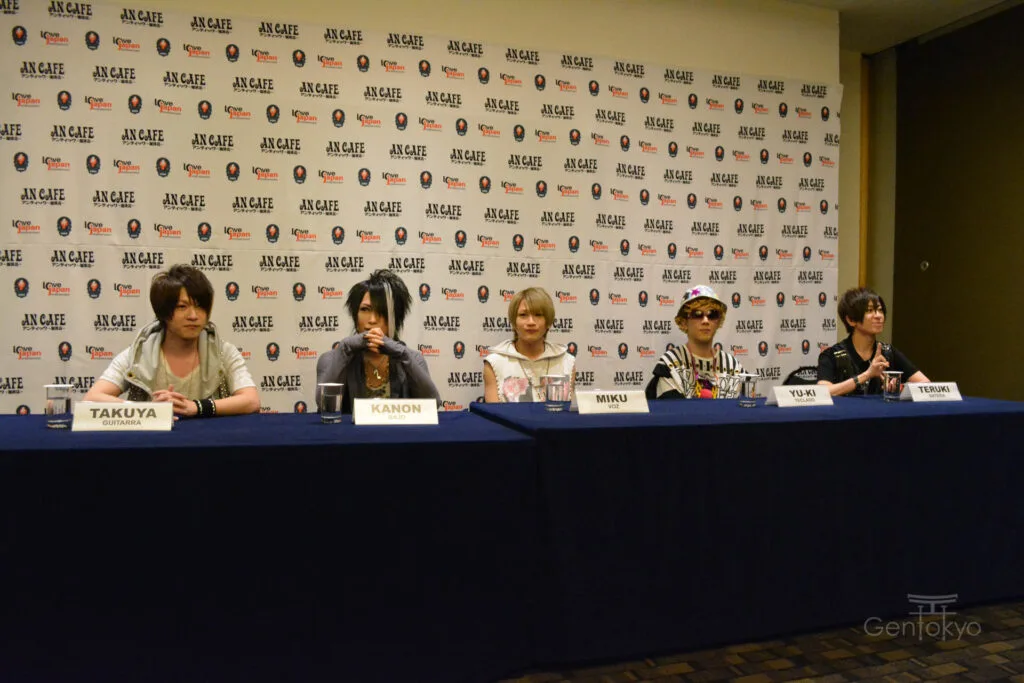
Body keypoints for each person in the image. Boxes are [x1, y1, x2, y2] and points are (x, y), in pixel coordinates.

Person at [84, 264, 259, 417]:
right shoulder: (138, 355)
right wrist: (147, 410)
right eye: (182, 307)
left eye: (200, 306)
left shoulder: (223, 352)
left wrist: (196, 407)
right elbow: (92, 398)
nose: (193, 316)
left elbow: (251, 401)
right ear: (163, 312)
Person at [316, 269, 439, 412]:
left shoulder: (412, 358)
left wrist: (401, 353)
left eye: (382, 311)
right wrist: (344, 348)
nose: (372, 320)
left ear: (395, 318)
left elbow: (433, 405)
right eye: (365, 309)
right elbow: (325, 407)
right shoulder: (332, 359)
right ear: (355, 315)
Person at [817, 287, 929, 396]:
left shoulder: (888, 352)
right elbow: (824, 391)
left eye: (880, 310)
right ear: (851, 320)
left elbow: (925, 384)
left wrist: (900, 387)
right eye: (870, 310)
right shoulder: (831, 355)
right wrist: (867, 375)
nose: (879, 316)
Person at [646, 284, 745, 399]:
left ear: (718, 321)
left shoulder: (733, 366)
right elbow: (670, 408)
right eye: (697, 314)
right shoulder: (670, 363)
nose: (705, 321)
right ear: (684, 322)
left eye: (712, 314)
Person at [484, 287, 575, 402]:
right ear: (513, 321)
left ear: (548, 321)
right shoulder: (495, 362)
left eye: (538, 315)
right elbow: (493, 412)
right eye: (523, 315)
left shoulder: (566, 361)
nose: (531, 322)